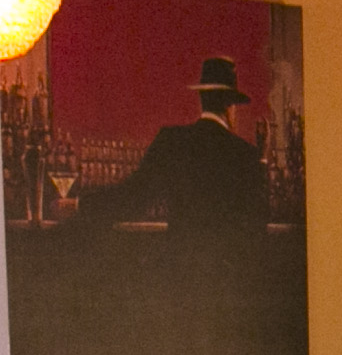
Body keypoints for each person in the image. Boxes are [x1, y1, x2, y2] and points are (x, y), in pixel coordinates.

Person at [97, 55, 268, 233]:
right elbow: (257, 222)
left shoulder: (171, 140)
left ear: (202, 98)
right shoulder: (245, 154)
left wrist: (82, 203)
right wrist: (262, 159)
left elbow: (133, 196)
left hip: (180, 251)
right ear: (229, 104)